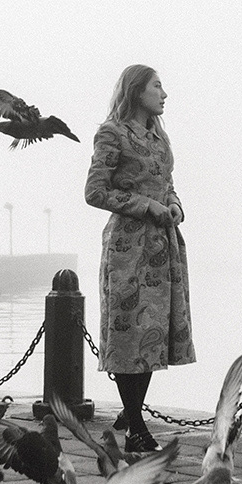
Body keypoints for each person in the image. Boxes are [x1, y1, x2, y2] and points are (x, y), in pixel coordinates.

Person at [85, 65, 194, 451]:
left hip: (162, 248)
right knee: (129, 334)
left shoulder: (158, 137)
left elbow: (167, 182)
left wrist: (174, 204)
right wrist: (146, 205)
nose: (164, 94)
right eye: (157, 86)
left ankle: (132, 419)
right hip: (128, 248)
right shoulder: (112, 133)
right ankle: (136, 427)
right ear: (136, 91)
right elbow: (95, 192)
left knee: (151, 337)